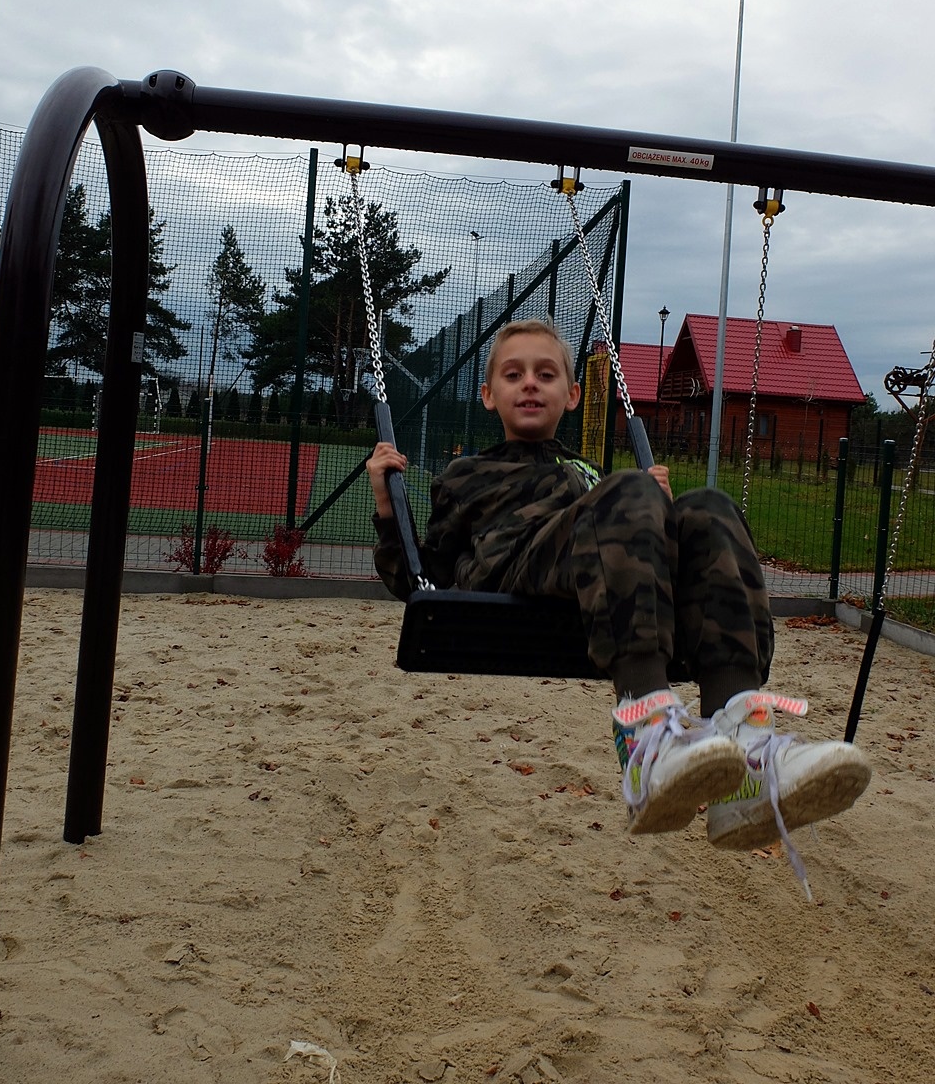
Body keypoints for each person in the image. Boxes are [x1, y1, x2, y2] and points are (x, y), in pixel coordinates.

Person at [367, 319, 871, 877]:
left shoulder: (587, 472)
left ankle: (746, 754)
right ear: (488, 395)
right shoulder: (466, 474)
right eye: (513, 375)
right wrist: (388, 509)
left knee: (710, 509)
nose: (530, 383)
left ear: (572, 394)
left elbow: (636, 549)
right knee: (630, 488)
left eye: (545, 374)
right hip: (512, 574)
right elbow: (422, 579)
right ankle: (646, 738)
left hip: (595, 592)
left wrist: (660, 517)